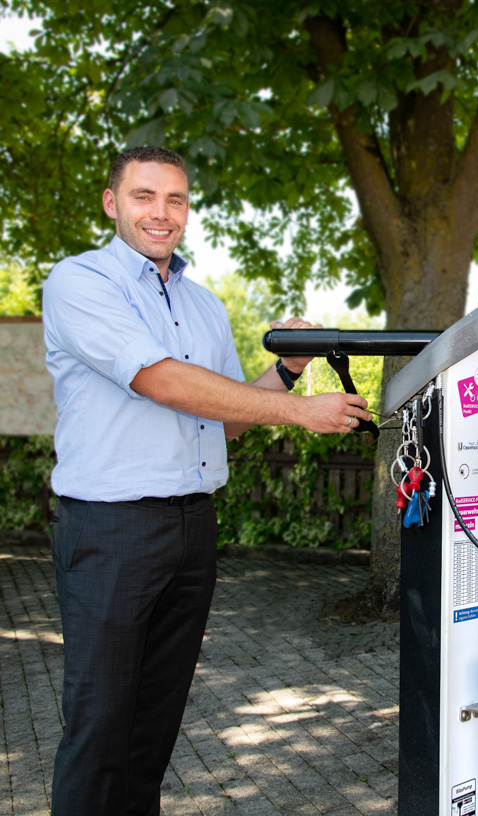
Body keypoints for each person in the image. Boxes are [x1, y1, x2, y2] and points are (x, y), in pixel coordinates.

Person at [42, 146, 371, 816]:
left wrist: (285, 373)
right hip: (111, 529)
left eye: (176, 200)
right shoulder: (81, 283)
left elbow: (217, 421)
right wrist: (300, 410)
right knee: (101, 725)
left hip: (192, 526)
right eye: (144, 197)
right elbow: (159, 380)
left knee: (152, 729)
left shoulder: (203, 305)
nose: (161, 213)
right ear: (113, 203)